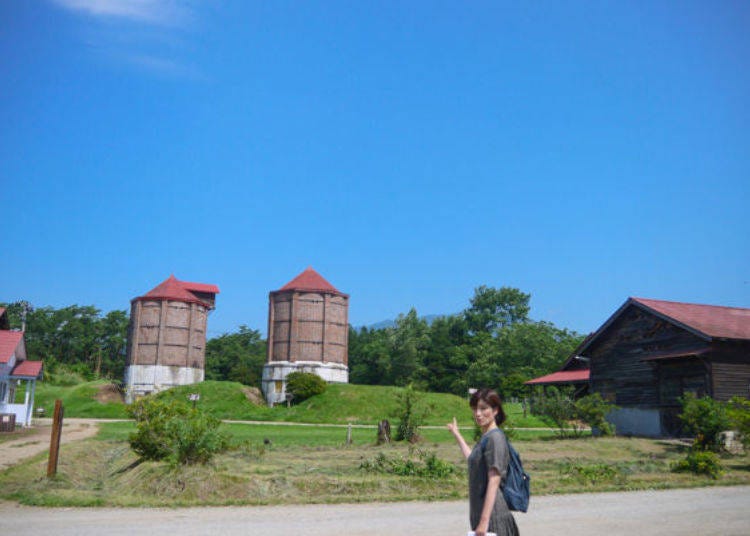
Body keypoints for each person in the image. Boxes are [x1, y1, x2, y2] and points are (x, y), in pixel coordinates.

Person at [447, 388, 519, 536]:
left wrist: (484, 522)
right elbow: (473, 460)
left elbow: (494, 479)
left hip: (493, 519)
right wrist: (457, 434)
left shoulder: (495, 438)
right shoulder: (486, 437)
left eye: (483, 408)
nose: (478, 414)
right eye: (475, 409)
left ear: (495, 411)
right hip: (482, 516)